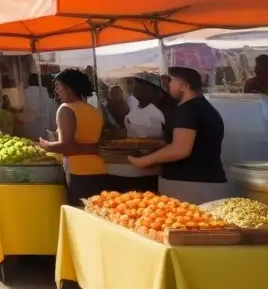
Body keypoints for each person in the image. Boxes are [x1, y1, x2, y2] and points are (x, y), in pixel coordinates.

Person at [128, 66, 229, 204]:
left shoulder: (188, 110)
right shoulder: (202, 107)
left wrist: (145, 160)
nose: (167, 85)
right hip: (202, 182)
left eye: (170, 81)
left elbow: (180, 149)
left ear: (183, 86)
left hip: (191, 185)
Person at [38, 69, 107, 206]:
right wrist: (92, 149)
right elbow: (98, 144)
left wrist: (45, 145)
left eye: (59, 87)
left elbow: (67, 146)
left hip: (78, 171)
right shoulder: (94, 110)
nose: (57, 91)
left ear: (69, 88)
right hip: (100, 169)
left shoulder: (66, 109)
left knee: (79, 213)